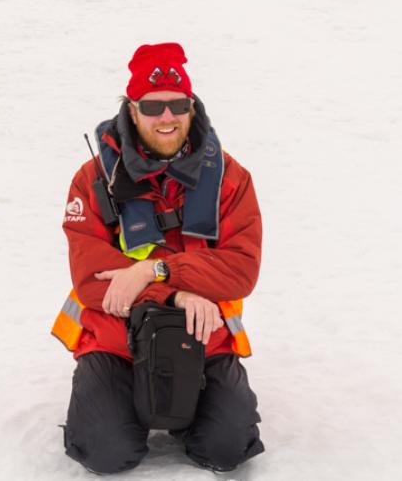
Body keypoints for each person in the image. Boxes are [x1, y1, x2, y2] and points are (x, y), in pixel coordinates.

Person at [51, 42, 265, 474]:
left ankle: (188, 409)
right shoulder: (92, 181)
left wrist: (154, 270)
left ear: (191, 107)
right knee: (106, 453)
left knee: (226, 448)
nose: (166, 117)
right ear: (131, 109)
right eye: (152, 106)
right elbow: (93, 279)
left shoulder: (231, 179)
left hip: (206, 340)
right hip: (117, 344)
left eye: (177, 104)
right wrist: (176, 298)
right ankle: (120, 405)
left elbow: (241, 270)